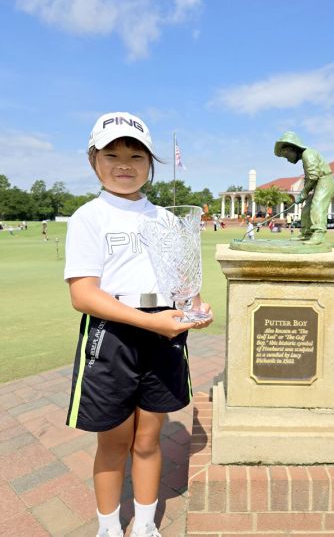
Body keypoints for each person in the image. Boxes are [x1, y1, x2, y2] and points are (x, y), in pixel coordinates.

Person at [64, 111, 213, 537]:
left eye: (136, 154)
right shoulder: (88, 217)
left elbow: (183, 285)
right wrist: (153, 324)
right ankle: (109, 528)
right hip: (111, 335)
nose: (124, 163)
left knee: (149, 438)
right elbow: (84, 295)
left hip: (165, 330)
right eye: (111, 154)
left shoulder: (166, 219)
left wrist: (196, 308)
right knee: (113, 443)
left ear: (150, 163)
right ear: (94, 161)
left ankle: (145, 525)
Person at [274, 131, 334, 245]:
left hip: (325, 181)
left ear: (293, 149)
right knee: (307, 208)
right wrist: (304, 193)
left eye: (287, 156)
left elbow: (313, 176)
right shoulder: (305, 157)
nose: (287, 159)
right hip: (318, 182)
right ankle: (306, 234)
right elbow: (309, 179)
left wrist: (304, 192)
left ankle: (318, 234)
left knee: (317, 205)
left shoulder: (308, 154)